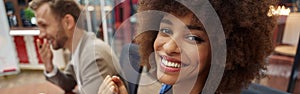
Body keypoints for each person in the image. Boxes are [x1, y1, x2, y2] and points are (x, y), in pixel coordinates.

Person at [98, 0, 277, 93]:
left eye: (192, 38)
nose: (169, 47)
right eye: (166, 29)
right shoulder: (172, 88)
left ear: (225, 51)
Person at [29, 0, 120, 94]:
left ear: (68, 22)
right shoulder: (79, 47)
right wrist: (49, 67)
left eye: (44, 25)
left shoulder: (93, 56)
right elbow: (69, 83)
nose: (41, 35)